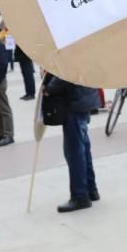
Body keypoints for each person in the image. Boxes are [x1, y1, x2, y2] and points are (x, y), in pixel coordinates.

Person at [44, 73, 101, 213]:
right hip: (83, 97)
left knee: (74, 152)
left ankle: (80, 196)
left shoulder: (68, 49)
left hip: (74, 101)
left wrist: (50, 88)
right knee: (83, 148)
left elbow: (64, 71)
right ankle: (90, 190)